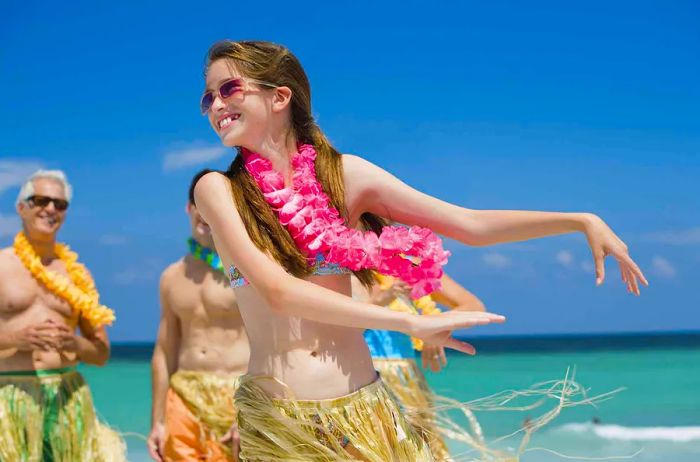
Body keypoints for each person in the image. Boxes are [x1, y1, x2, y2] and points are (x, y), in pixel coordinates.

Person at [193, 40, 647, 461]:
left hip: (365, 411)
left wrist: (578, 220)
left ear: (279, 97)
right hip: (280, 421)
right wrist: (411, 322)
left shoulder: (346, 176)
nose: (216, 105)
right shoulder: (219, 190)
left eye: (228, 88)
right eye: (207, 97)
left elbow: (470, 224)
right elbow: (277, 291)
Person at [0, 169, 125, 461]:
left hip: (67, 400)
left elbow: (101, 353)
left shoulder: (78, 275)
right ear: (21, 207)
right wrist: (15, 338)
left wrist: (73, 343)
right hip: (9, 397)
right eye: (40, 200)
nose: (50, 209)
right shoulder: (1, 266)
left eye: (60, 204)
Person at [149, 169, 250, 461]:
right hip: (183, 399)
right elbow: (164, 351)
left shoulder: (248, 272)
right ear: (188, 208)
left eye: (214, 205)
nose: (205, 213)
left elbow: (271, 342)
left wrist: (251, 408)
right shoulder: (171, 276)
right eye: (199, 204)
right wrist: (158, 420)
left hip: (235, 394)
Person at [356, 273, 486, 460]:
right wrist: (378, 303)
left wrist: (436, 326)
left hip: (405, 378)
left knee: (418, 449)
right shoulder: (345, 259)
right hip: (363, 376)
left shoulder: (410, 263)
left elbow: (473, 306)